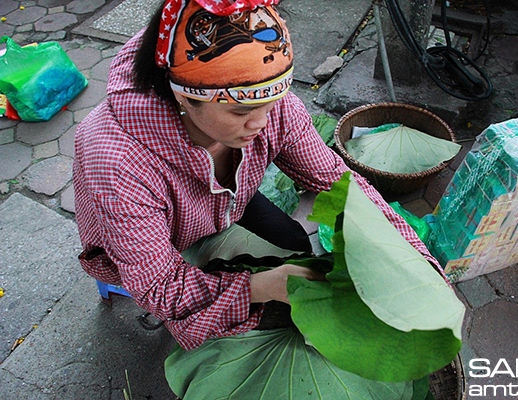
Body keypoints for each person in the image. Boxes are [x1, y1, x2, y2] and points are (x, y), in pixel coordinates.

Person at [73, 0, 441, 351]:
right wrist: (259, 287)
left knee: (297, 244)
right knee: (239, 316)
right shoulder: (117, 161)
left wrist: (415, 258)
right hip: (154, 239)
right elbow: (159, 287)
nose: (261, 123)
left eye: (271, 102)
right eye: (239, 113)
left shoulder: (270, 108)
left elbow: (336, 181)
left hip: (229, 203)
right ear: (183, 97)